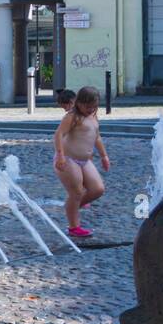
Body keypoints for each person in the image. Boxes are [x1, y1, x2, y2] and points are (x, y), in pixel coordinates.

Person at [53, 85, 109, 238]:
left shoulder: (93, 116)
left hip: (84, 160)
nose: (91, 109)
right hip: (68, 159)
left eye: (94, 107)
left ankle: (73, 205)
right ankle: (74, 227)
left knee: (98, 189)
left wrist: (104, 156)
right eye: (88, 106)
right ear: (79, 103)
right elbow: (58, 135)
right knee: (76, 192)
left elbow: (96, 137)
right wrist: (60, 155)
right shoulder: (72, 116)